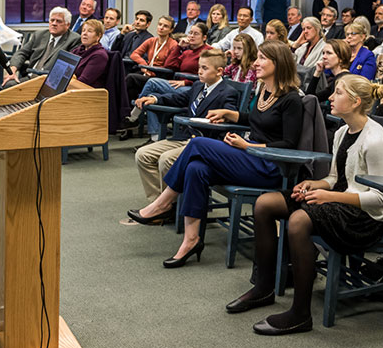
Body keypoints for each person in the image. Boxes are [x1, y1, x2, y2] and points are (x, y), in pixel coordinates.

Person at [225, 75, 383, 336]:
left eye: (338, 93)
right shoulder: (341, 132)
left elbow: (381, 199)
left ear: (356, 101)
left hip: (363, 217)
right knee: (265, 204)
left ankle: (300, 313)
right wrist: (314, 185)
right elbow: (335, 179)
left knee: (298, 220)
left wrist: (331, 197)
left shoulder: (375, 140)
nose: (330, 98)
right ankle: (263, 287)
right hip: (339, 202)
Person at [127, 41, 304, 268]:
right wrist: (231, 114)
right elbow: (257, 120)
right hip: (251, 157)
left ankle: (163, 203)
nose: (256, 63)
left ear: (278, 64)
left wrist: (246, 146)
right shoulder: (265, 91)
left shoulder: (292, 99)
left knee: (199, 144)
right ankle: (191, 240)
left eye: (262, 59)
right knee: (196, 169)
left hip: (270, 167)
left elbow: (288, 145)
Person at [131, 50, 239, 208]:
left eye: (204, 68)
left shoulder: (228, 92)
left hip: (205, 143)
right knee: (143, 154)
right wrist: (155, 98)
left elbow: (230, 113)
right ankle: (159, 204)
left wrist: (224, 117)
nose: (199, 71)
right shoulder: (198, 86)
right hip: (184, 138)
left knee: (166, 159)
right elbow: (177, 98)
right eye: (199, 67)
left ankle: (171, 205)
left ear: (219, 71)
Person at [3, 6, 81, 86]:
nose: (54, 23)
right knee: (9, 84)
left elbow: (66, 67)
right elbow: (21, 53)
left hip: (49, 82)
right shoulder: (39, 35)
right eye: (52, 20)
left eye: (59, 21)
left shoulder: (73, 40)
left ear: (67, 25)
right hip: (30, 78)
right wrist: (12, 70)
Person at [125, 15, 178, 100]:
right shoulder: (152, 40)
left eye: (165, 26)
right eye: (160, 24)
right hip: (148, 73)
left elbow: (169, 66)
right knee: (128, 82)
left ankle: (130, 109)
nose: (161, 28)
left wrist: (150, 69)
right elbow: (134, 54)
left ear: (171, 30)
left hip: (160, 77)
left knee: (131, 78)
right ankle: (130, 110)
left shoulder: (173, 44)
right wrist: (144, 65)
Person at [70, 18, 110, 88]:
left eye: (89, 31)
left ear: (98, 36)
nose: (85, 33)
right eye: (83, 31)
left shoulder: (99, 56)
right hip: (70, 89)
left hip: (86, 94)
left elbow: (83, 82)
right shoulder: (78, 50)